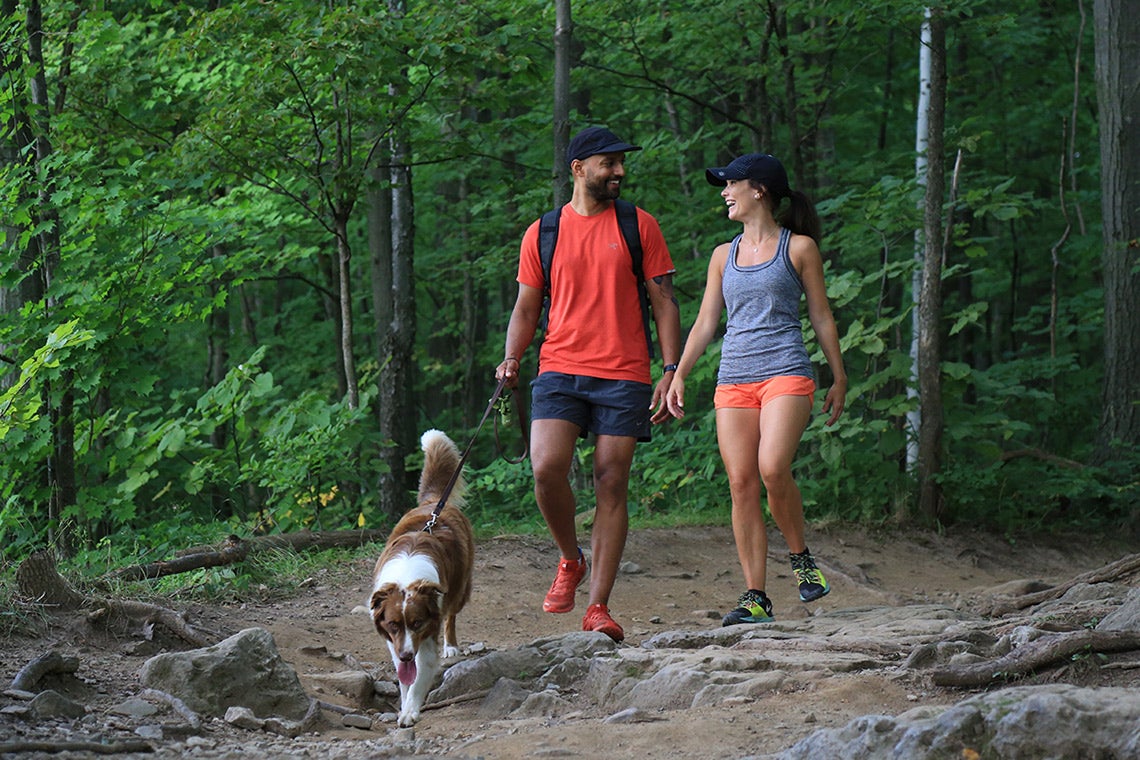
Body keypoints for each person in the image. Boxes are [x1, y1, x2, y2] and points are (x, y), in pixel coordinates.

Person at [496, 126, 682, 643]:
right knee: (546, 469)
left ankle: (598, 606)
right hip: (559, 367)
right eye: (609, 163)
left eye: (622, 162)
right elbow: (527, 307)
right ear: (578, 168)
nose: (620, 171)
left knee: (610, 481)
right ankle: (569, 558)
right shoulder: (544, 232)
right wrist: (512, 357)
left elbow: (665, 301)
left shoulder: (638, 226)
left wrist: (670, 370)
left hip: (624, 372)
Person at [664, 152, 846, 627]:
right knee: (741, 482)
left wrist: (838, 376)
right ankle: (756, 598)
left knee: (771, 468)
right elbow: (707, 322)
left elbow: (821, 316)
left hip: (786, 371)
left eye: (731, 184)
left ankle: (801, 556)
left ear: (759, 190)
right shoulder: (724, 255)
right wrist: (679, 373)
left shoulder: (799, 248)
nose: (725, 192)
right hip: (734, 380)